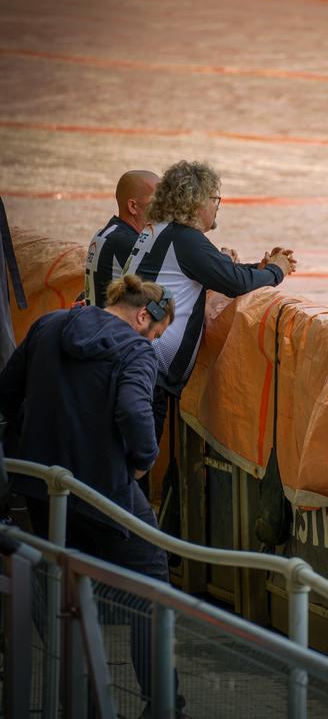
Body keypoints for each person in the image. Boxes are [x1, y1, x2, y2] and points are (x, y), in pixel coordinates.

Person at [0, 274, 180, 713]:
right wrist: (141, 463)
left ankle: (83, 699)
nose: (154, 341)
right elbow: (135, 416)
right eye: (157, 333)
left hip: (44, 487)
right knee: (150, 581)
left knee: (66, 588)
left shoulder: (48, 325)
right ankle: (163, 705)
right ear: (142, 316)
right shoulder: (136, 350)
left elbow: (7, 392)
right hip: (106, 492)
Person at [124, 160, 296, 407]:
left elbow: (219, 271)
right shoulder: (184, 239)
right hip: (145, 371)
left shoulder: (162, 231)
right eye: (215, 199)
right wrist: (276, 270)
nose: (217, 207)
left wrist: (259, 270)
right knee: (136, 447)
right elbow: (235, 282)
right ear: (195, 201)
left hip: (135, 361)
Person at [85, 170, 159, 307]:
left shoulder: (106, 233)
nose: (163, 208)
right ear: (133, 206)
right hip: (110, 326)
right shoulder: (128, 243)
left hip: (96, 321)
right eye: (156, 201)